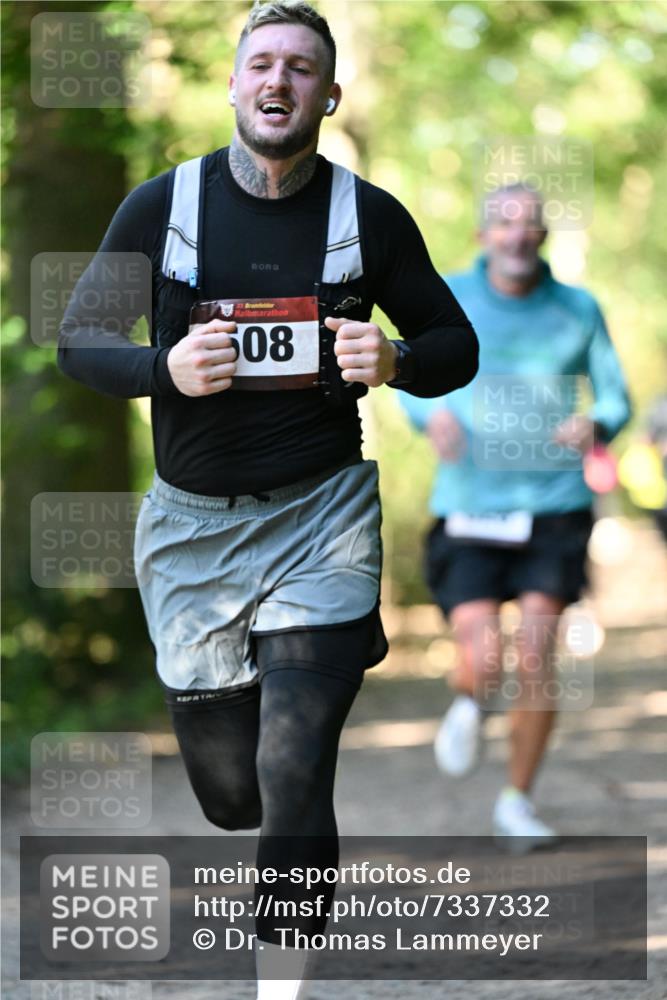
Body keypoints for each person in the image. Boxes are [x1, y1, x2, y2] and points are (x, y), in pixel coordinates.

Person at [57, 2, 478, 995]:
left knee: (294, 765)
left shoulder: (366, 216)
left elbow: (454, 347)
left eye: (300, 68)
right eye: (262, 65)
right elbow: (79, 342)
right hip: (192, 533)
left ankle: (276, 981)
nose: (278, 82)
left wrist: (398, 358)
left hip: (321, 518)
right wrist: (165, 367)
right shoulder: (162, 207)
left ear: (329, 94)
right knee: (232, 794)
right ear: (235, 84)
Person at [400, 183, 631, 854]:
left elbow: (614, 395)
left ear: (542, 237)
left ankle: (516, 800)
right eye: (503, 225)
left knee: (535, 657)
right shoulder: (449, 295)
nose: (516, 236)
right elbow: (408, 372)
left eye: (528, 225)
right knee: (482, 658)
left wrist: (596, 421)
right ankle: (471, 700)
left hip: (552, 505)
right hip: (469, 502)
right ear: (482, 236)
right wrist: (428, 414)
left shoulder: (576, 309)